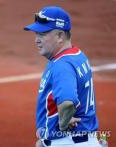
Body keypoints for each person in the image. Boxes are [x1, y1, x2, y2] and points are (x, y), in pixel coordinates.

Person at [24, 6, 101, 147]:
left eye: (42, 34)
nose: (37, 40)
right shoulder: (77, 55)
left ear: (60, 35)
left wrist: (62, 124)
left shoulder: (62, 65)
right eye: (36, 34)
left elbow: (67, 102)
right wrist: (46, 140)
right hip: (83, 140)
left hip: (68, 142)